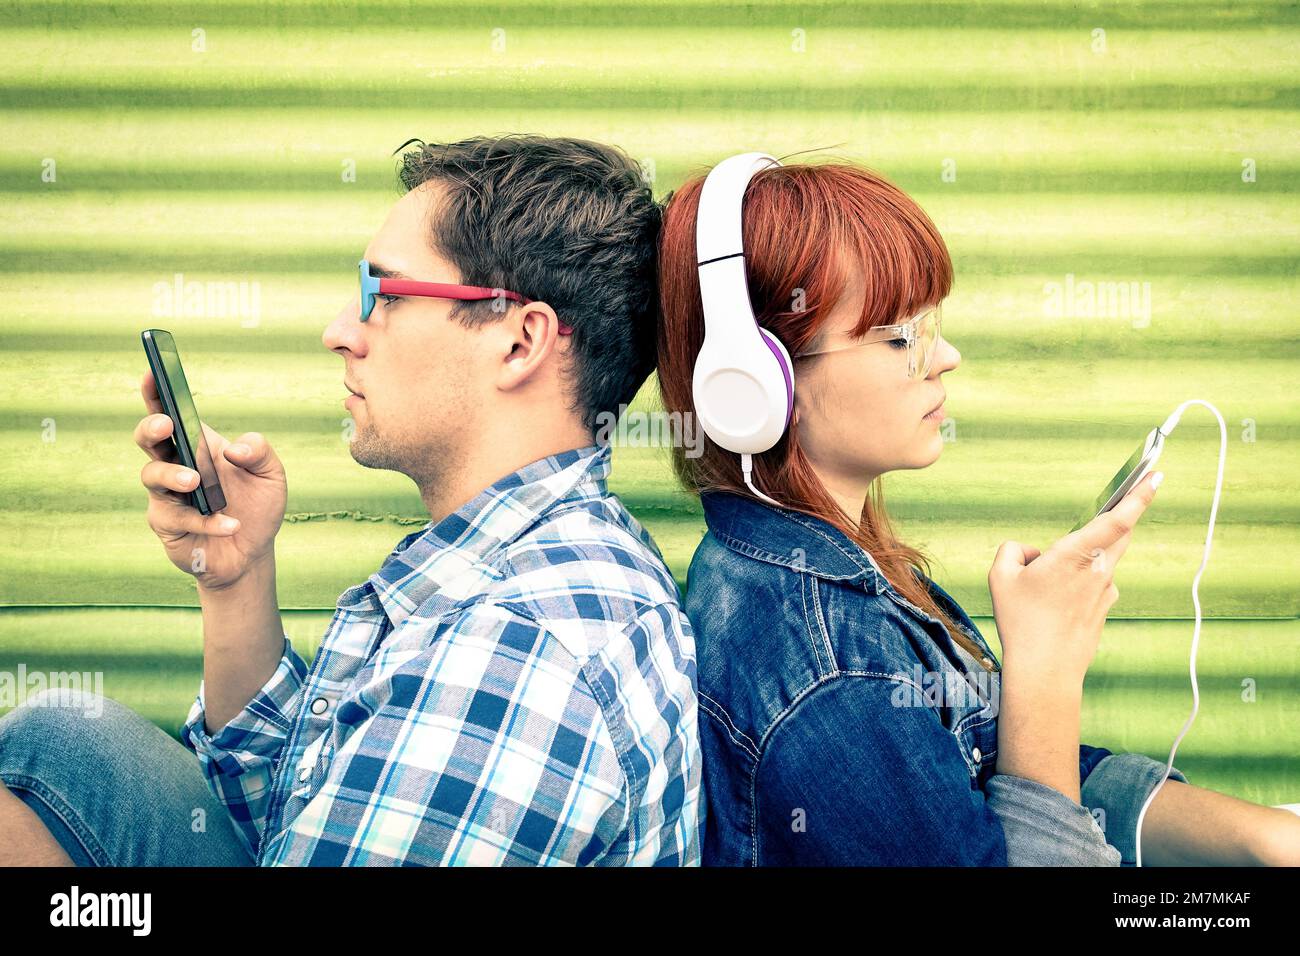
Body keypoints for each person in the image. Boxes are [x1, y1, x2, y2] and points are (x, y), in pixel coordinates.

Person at [0, 134, 702, 866]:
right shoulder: (537, 552)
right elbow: (286, 814)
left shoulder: (515, 651)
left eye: (384, 294)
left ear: (520, 342)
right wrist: (237, 576)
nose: (338, 333)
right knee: (58, 738)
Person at [654, 156, 1300, 866]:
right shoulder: (834, 676)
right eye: (899, 337)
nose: (946, 356)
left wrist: (1263, 839)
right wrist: (1046, 673)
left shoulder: (837, 568)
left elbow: (989, 768)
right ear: (755, 385)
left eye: (928, 324)